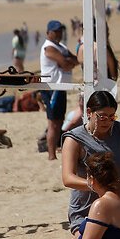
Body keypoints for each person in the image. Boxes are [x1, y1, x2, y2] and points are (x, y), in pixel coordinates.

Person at [61, 91, 120, 235]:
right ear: (89, 112)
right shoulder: (75, 140)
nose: (107, 122)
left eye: (111, 117)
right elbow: (68, 179)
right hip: (86, 209)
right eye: (102, 116)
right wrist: (101, 186)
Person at [40, 20, 78, 161]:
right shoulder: (48, 47)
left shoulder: (60, 46)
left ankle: (54, 149)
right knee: (53, 123)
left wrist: (67, 61)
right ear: (48, 32)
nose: (59, 33)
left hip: (60, 87)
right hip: (52, 87)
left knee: (59, 121)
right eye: (56, 31)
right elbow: (65, 63)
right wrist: (66, 62)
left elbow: (75, 60)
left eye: (60, 31)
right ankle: (51, 154)